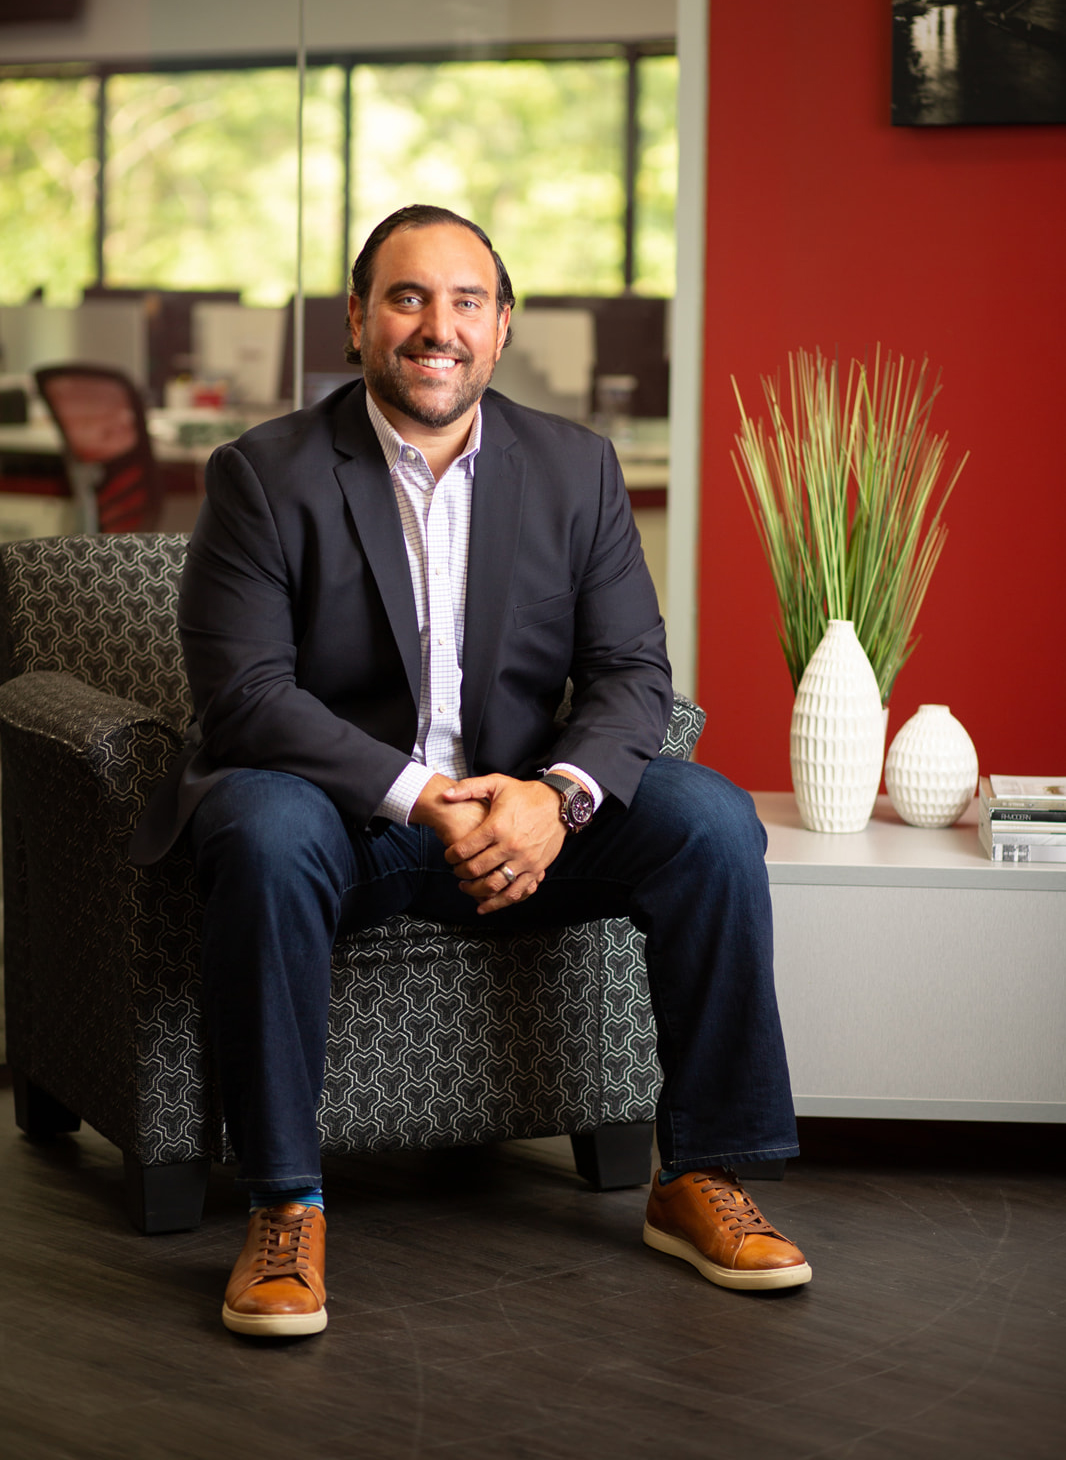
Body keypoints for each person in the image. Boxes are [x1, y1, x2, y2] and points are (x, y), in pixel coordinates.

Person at [133, 204, 810, 1337]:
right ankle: (284, 1205)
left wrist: (556, 797)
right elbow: (244, 696)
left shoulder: (574, 468)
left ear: (501, 326)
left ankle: (700, 1172)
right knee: (259, 826)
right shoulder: (263, 474)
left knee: (711, 821)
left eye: (465, 301)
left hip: (519, 810)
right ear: (357, 321)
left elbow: (630, 672)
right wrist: (419, 796)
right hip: (343, 818)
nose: (435, 327)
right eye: (406, 298)